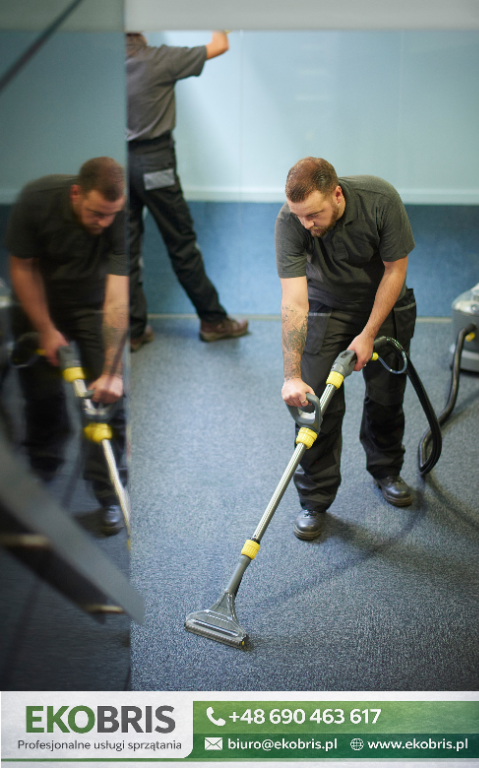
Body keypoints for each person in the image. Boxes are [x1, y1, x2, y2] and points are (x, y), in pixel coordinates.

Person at [276, 157, 417, 541]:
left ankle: (386, 469)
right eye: (299, 216)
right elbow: (294, 302)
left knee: (387, 397)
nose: (306, 224)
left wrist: (368, 334)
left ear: (337, 195)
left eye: (314, 215)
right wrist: (291, 376)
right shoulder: (291, 220)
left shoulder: (380, 200)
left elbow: (396, 270)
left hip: (383, 304)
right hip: (326, 307)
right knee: (313, 403)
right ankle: (314, 499)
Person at [5, 157, 128, 535]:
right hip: (38, 303)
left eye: (111, 215)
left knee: (108, 400)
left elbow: (117, 297)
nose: (104, 223)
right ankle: (42, 471)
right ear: (76, 193)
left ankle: (109, 493)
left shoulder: (121, 215)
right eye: (96, 214)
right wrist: (45, 329)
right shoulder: (37, 200)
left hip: (93, 305)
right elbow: (22, 267)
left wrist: (112, 371)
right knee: (42, 396)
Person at [126, 31, 248, 349]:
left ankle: (134, 330)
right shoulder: (158, 58)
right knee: (181, 244)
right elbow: (220, 45)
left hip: (118, 164)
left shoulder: (102, 63)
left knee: (125, 249)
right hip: (155, 163)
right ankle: (213, 320)